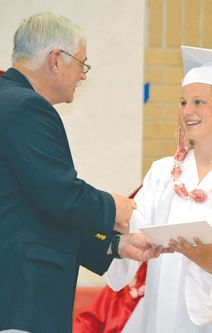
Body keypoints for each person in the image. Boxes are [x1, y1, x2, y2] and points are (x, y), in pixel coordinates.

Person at [0, 12, 164, 333]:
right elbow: (60, 194)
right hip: (24, 296)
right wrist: (115, 206)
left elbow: (40, 210)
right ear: (56, 60)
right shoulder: (25, 107)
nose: (83, 76)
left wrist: (115, 246)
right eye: (82, 63)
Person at [107, 45, 212, 333]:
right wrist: (117, 218)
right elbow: (136, 229)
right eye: (183, 102)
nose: (187, 112)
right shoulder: (163, 172)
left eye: (198, 102)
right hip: (158, 312)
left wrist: (209, 261)